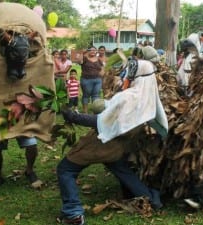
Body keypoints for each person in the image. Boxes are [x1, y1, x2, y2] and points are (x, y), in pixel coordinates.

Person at [57, 48, 168, 224]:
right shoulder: (149, 98)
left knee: (66, 169)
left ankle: (73, 213)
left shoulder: (128, 98)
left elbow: (103, 121)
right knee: (119, 167)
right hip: (119, 146)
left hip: (105, 142)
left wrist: (73, 117)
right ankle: (150, 198)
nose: (127, 77)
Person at [80, 46, 104, 113]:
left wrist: (103, 77)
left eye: (94, 50)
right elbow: (79, 61)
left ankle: (95, 111)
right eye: (91, 50)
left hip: (97, 80)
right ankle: (85, 112)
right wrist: (82, 53)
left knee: (96, 95)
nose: (93, 51)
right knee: (86, 95)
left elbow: (102, 69)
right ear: (88, 51)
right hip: (86, 80)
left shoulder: (98, 59)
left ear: (96, 51)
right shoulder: (84, 58)